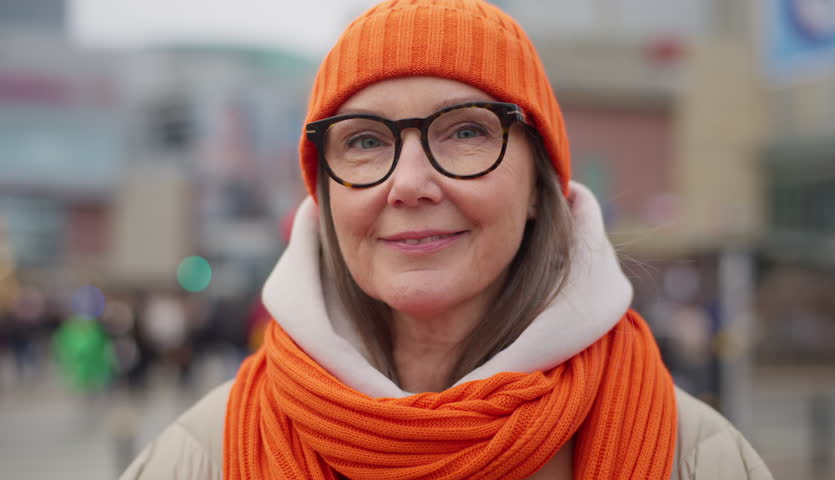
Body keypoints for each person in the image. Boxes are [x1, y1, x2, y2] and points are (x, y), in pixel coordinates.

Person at [121, 1, 773, 479]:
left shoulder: (694, 457)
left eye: (465, 131)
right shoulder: (203, 456)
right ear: (325, 196)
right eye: (366, 140)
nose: (408, 184)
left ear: (539, 189)